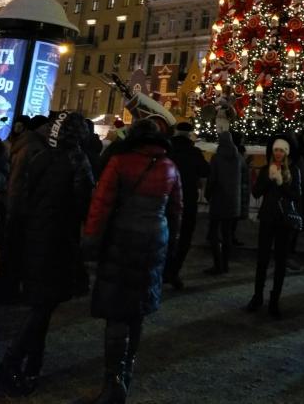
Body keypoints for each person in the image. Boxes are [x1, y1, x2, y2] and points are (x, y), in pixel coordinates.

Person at [83, 118, 183, 404]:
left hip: (122, 241)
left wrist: (91, 241)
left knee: (117, 311)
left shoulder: (120, 162)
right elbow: (177, 210)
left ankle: (113, 382)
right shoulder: (169, 167)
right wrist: (170, 242)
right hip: (154, 241)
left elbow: (101, 205)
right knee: (137, 310)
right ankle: (127, 372)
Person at [0, 111, 94, 397]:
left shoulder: (39, 156)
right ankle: (10, 363)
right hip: (57, 243)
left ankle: (31, 366)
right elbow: (83, 205)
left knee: (42, 303)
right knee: (43, 306)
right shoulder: (77, 161)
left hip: (31, 238)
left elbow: (19, 197)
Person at [246, 136, 301, 318]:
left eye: (281, 151)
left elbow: (296, 195)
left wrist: (281, 182)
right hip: (268, 219)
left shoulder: (294, 171)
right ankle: (257, 296)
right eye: (276, 150)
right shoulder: (265, 169)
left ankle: (274, 300)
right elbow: (256, 192)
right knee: (262, 259)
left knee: (280, 261)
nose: (278, 154)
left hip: (284, 221)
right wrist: (269, 179)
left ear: (286, 153)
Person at [0, 114, 49, 304]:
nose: (50, 131)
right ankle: (8, 291)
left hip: (18, 205)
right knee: (17, 251)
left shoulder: (24, 144)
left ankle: (7, 287)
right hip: (24, 207)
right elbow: (22, 180)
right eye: (46, 127)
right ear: (39, 129)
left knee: (12, 249)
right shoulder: (33, 148)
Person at [164, 121, 209, 288]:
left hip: (166, 198)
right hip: (187, 198)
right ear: (190, 134)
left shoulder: (168, 150)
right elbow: (205, 170)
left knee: (165, 234)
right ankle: (173, 272)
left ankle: (162, 269)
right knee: (185, 236)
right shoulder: (194, 152)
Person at [204, 131, 247, 275]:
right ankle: (225, 264)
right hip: (233, 202)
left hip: (218, 199)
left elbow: (212, 179)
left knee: (214, 233)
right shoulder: (239, 158)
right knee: (227, 233)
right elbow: (244, 180)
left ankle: (217, 264)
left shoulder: (217, 158)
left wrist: (207, 194)